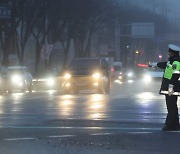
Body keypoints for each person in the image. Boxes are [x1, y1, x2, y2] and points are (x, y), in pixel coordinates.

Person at [156, 44, 180, 131]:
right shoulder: (172, 61)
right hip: (171, 88)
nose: (168, 53)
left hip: (172, 88)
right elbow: (166, 65)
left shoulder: (176, 62)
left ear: (173, 53)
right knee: (172, 107)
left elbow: (175, 75)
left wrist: (170, 87)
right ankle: (175, 125)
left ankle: (171, 125)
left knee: (171, 107)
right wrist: (156, 64)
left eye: (170, 52)